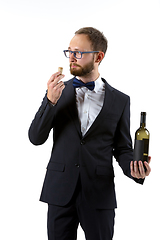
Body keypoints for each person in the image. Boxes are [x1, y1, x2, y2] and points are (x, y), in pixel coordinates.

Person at [28, 27, 151, 240]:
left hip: (99, 193)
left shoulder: (121, 100)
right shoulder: (57, 92)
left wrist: (134, 169)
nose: (72, 57)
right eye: (69, 52)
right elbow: (35, 138)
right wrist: (49, 101)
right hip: (59, 191)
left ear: (99, 57)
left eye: (79, 52)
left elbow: (122, 148)